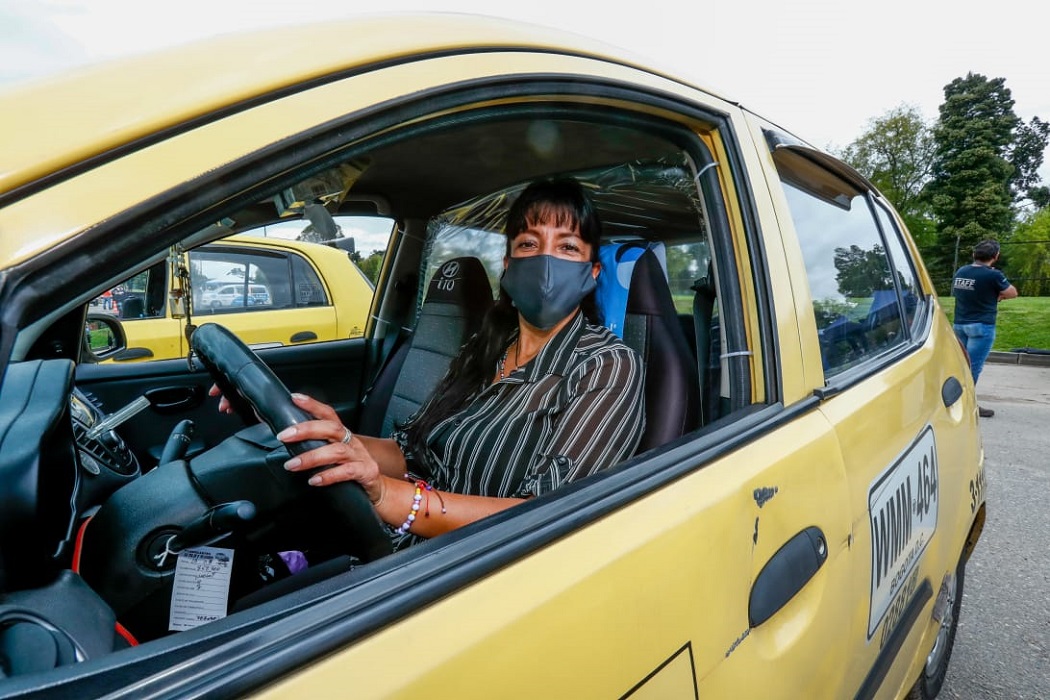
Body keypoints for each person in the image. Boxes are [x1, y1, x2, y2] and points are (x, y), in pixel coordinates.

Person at [213, 178, 646, 547]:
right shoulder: (487, 346)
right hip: (406, 548)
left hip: (475, 572)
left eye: (567, 247)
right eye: (529, 244)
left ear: (591, 275)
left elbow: (549, 516)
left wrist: (389, 497)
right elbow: (413, 452)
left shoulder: (606, 365)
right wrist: (340, 437)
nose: (546, 263)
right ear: (509, 267)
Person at [951, 239, 1018, 418]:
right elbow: (1012, 292)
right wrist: (998, 296)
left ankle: (954, 401)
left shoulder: (961, 271)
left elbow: (962, 292)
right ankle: (968, 405)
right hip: (981, 327)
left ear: (974, 254)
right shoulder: (993, 275)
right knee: (973, 368)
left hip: (959, 325)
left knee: (960, 365)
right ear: (995, 256)